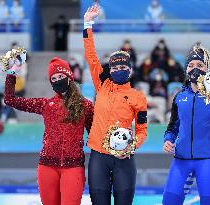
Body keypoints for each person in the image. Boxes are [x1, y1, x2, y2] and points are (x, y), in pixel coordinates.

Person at [3, 56, 94, 205]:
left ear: (69, 77)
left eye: (61, 76)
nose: (58, 80)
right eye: (54, 78)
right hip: (47, 167)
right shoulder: (46, 104)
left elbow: (94, 135)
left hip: (73, 167)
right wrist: (14, 69)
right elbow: (10, 99)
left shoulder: (85, 106)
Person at [83, 5, 147, 205]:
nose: (118, 70)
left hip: (124, 160)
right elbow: (91, 55)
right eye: (115, 67)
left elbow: (142, 130)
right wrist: (87, 24)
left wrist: (132, 145)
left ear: (129, 70)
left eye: (123, 67)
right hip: (98, 156)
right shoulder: (102, 83)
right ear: (109, 70)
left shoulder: (138, 97)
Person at [162, 44, 210, 205]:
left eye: (200, 65)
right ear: (186, 70)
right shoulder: (179, 97)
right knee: (169, 202)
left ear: (207, 69)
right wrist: (167, 140)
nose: (195, 69)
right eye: (191, 65)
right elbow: (172, 128)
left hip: (208, 161)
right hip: (181, 161)